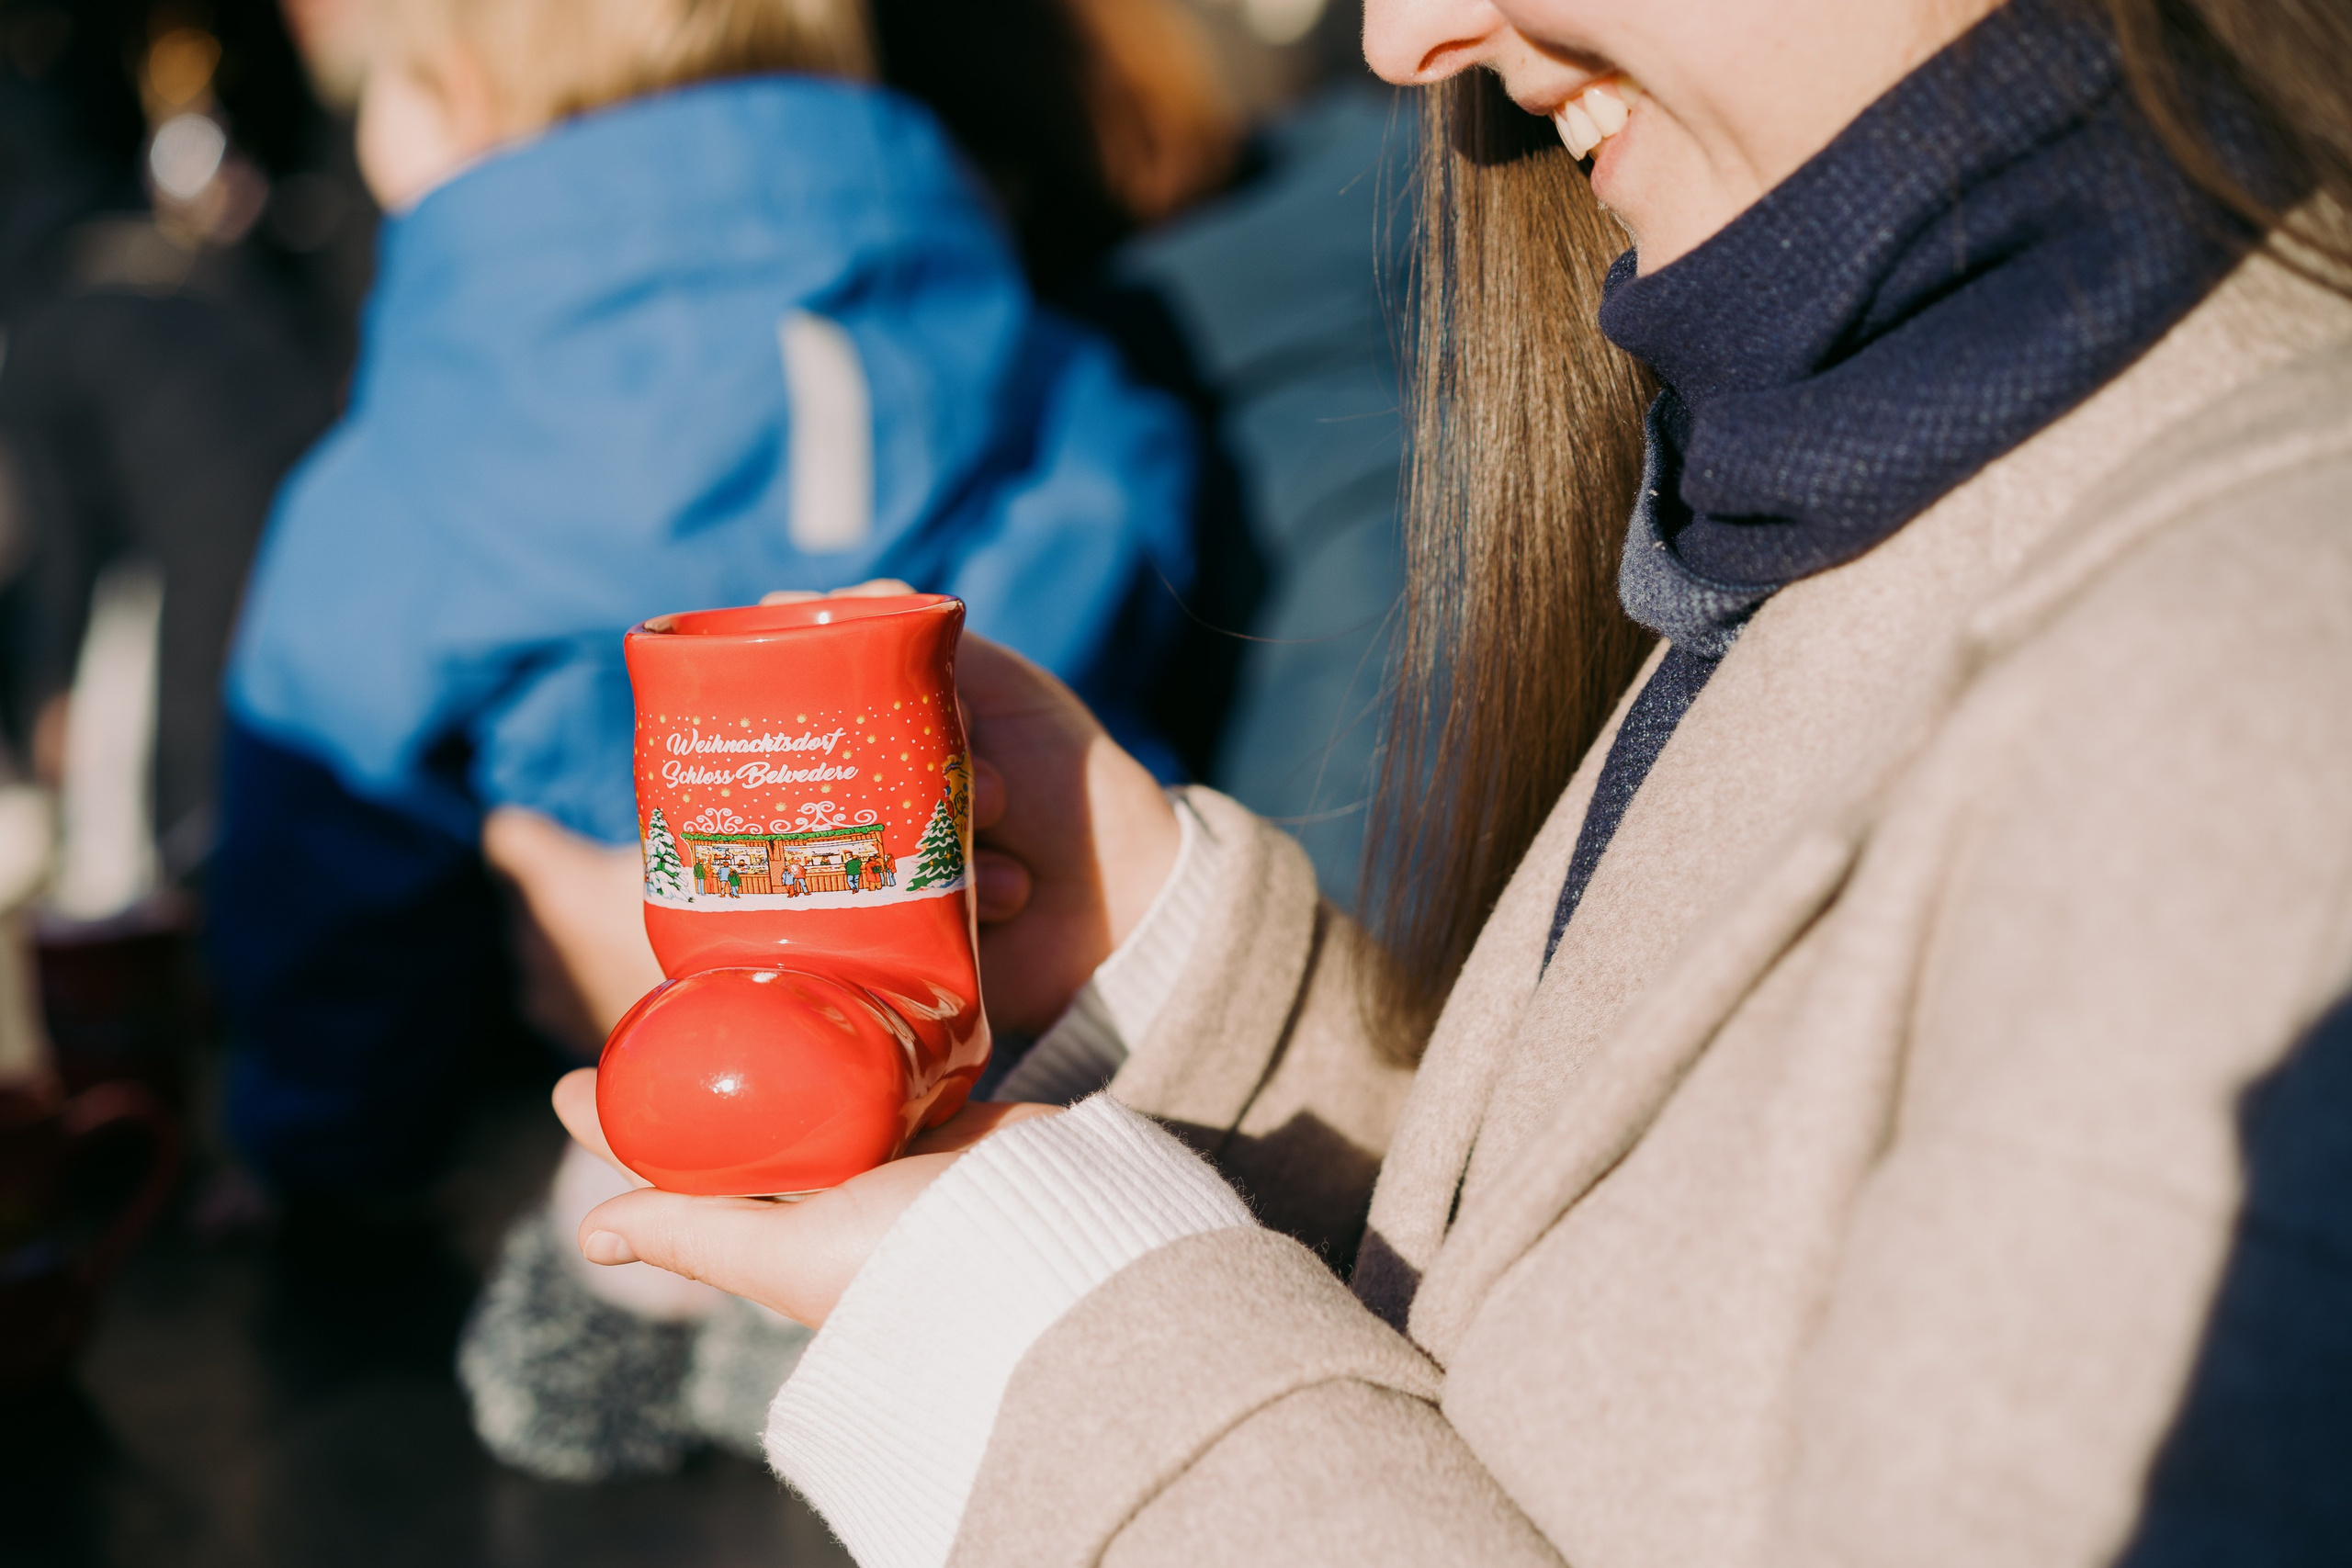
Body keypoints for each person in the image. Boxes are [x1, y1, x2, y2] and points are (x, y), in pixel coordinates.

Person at [551, 0, 2352, 1562]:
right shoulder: (1860, 441)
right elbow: (1639, 1333)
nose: (1402, 40)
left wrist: (1067, 1365)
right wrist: (1177, 973)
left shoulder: (2258, 692)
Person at [209, 0, 1194, 1195]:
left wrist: (316, 1154)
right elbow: (1139, 535)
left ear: (445, 95)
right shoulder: (1051, 358)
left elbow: (321, 879)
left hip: (666, 1124)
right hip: (1097, 1081)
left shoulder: (405, 464)